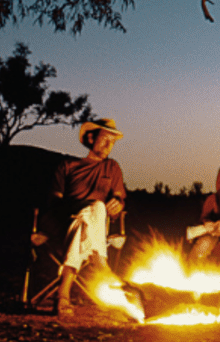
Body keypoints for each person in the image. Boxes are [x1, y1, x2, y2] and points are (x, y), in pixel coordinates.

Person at [48, 117, 126, 318]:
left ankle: (62, 293)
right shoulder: (67, 166)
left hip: (94, 226)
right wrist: (78, 208)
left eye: (113, 142)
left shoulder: (112, 167)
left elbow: (118, 200)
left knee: (97, 209)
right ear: (91, 138)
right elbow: (54, 204)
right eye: (105, 139)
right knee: (89, 212)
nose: (109, 146)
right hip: (67, 222)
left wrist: (117, 205)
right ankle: (101, 263)